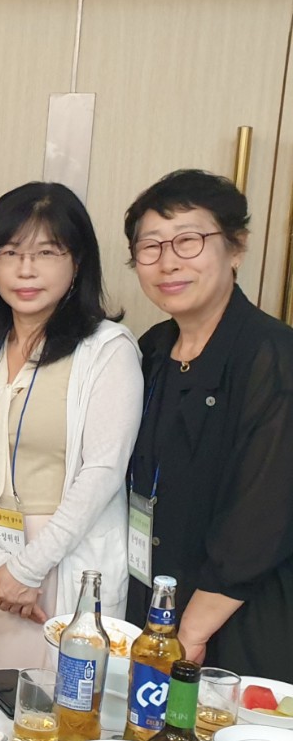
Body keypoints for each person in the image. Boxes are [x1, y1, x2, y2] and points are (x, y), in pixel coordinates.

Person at [0, 182, 141, 670]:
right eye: (9, 252)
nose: (25, 269)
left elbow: (103, 471)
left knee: (64, 699)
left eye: (47, 253)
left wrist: (28, 570)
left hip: (65, 555)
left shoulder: (107, 349)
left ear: (78, 263)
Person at [124, 170, 293, 679]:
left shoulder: (273, 357)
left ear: (236, 247)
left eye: (188, 240)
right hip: (155, 609)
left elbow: (263, 514)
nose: (168, 261)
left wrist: (190, 634)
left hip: (238, 622)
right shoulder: (153, 349)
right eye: (150, 246)